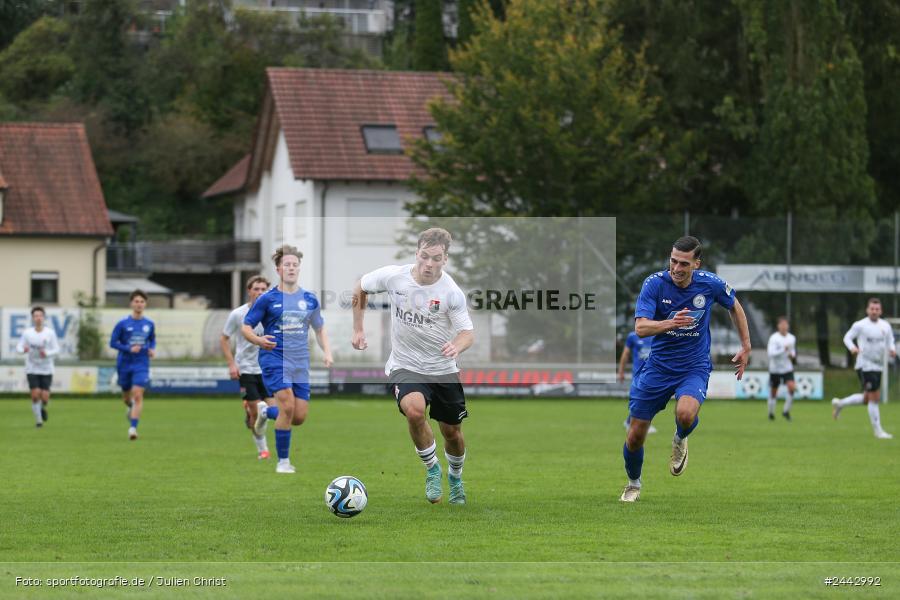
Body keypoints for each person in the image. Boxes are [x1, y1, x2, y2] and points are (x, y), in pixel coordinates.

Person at [620, 236, 751, 503]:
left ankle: (680, 438)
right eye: (673, 261)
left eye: (683, 263)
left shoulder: (710, 284)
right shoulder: (654, 284)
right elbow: (641, 328)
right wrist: (669, 324)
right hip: (657, 367)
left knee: (686, 413)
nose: (676, 268)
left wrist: (746, 346)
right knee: (635, 436)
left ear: (696, 264)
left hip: (694, 366)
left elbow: (734, 306)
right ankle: (634, 483)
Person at [351, 227, 475, 505]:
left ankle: (455, 476)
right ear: (416, 252)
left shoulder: (451, 292)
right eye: (424, 256)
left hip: (443, 369)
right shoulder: (395, 276)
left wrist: (457, 345)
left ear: (445, 259)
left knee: (452, 433)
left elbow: (467, 332)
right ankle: (432, 470)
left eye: (436, 258)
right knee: (415, 411)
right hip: (405, 365)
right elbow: (360, 286)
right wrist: (358, 328)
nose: (428, 264)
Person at [242, 245, 334, 474]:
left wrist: (327, 352)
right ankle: (283, 462)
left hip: (300, 362)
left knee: (298, 417)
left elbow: (319, 329)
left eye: (295, 264)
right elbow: (246, 327)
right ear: (278, 269)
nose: (291, 268)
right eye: (287, 264)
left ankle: (265, 412)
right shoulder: (266, 299)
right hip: (274, 358)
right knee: (288, 406)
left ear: (299, 268)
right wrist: (258, 340)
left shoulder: (309, 299)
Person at [221, 275, 273, 459]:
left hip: (267, 368)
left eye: (263, 289)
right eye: (256, 289)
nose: (259, 292)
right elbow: (224, 338)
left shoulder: (272, 312)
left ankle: (252, 410)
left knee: (271, 412)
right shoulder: (238, 314)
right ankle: (263, 450)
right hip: (246, 368)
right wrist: (231, 363)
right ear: (249, 291)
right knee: (255, 412)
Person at [831, 298, 896, 439]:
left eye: (877, 309)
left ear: (881, 311)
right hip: (864, 365)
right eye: (872, 309)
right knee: (875, 398)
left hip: (878, 365)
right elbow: (847, 337)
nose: (874, 311)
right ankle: (878, 431)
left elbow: (890, 340)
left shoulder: (885, 326)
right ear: (867, 310)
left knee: (867, 398)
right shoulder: (860, 325)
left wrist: (892, 349)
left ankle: (840, 404)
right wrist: (852, 347)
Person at [110, 290, 156, 441]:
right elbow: (113, 343)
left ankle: (133, 428)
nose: (139, 304)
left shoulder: (149, 324)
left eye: (142, 301)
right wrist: (128, 348)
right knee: (126, 396)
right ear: (131, 304)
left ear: (145, 304)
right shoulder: (122, 324)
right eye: (136, 301)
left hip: (141, 363)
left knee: (137, 394)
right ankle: (129, 406)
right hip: (124, 364)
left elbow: (152, 339)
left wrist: (151, 349)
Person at [16, 306, 60, 428]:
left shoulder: (50, 333)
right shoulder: (27, 333)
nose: (38, 318)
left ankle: (42, 407)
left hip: (46, 368)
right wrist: (22, 350)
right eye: (36, 316)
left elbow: (56, 349)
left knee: (45, 397)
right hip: (32, 367)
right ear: (32, 318)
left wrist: (47, 353)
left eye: (40, 316)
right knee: (35, 395)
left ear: (44, 318)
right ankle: (39, 421)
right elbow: (19, 347)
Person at [618, 331, 657, 433]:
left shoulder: (657, 334)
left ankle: (630, 422)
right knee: (641, 398)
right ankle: (638, 424)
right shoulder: (633, 336)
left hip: (653, 373)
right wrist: (621, 371)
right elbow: (625, 354)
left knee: (650, 399)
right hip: (638, 373)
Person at [766, 317, 797, 421]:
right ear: (778, 326)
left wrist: (792, 355)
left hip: (787, 368)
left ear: (788, 326)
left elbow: (792, 352)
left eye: (786, 325)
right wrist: (783, 349)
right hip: (775, 369)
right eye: (782, 325)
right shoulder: (774, 338)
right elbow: (771, 354)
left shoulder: (792, 338)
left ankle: (786, 411)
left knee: (792, 387)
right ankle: (771, 413)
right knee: (774, 392)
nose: (784, 327)